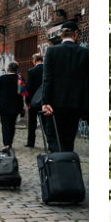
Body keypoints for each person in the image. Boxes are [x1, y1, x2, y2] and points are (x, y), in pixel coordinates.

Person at [40, 21, 88, 152]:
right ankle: (67, 166)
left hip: (54, 105)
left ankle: (57, 168)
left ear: (61, 35)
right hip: (75, 105)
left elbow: (47, 79)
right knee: (69, 140)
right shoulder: (85, 53)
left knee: (54, 138)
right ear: (76, 34)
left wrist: (45, 102)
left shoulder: (52, 51)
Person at [0, 61, 22, 149]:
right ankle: (10, 142)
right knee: (12, 124)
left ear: (8, 68)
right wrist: (21, 107)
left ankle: (6, 142)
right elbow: (22, 93)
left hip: (4, 105)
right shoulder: (20, 79)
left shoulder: (2, 78)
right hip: (15, 105)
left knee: (5, 124)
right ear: (16, 69)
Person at [24, 53, 44, 147]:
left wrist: (27, 101)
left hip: (33, 101)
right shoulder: (47, 69)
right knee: (46, 122)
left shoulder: (31, 71)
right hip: (45, 100)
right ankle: (50, 143)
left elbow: (28, 87)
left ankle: (31, 142)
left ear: (34, 61)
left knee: (32, 123)